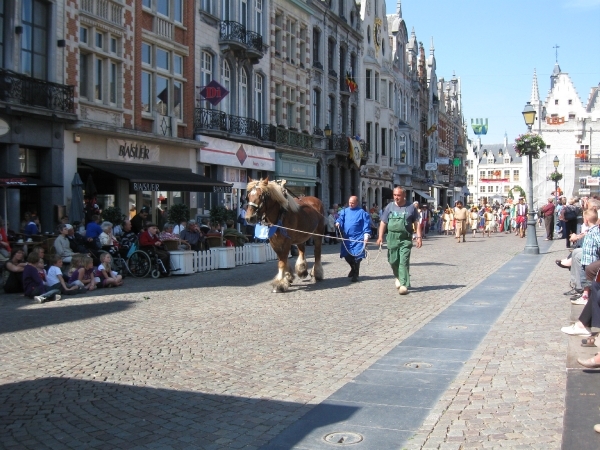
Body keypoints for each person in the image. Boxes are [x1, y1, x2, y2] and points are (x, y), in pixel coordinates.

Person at [376, 187, 421, 294]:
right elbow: (383, 222)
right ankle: (398, 277)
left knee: (403, 261)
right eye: (395, 195)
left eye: (399, 195)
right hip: (392, 237)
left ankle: (404, 285)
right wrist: (380, 236)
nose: (396, 197)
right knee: (393, 261)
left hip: (405, 238)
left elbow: (416, 223)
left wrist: (419, 237)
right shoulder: (389, 207)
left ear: (404, 195)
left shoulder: (411, 207)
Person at [335, 195, 372, 282]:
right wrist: (338, 222)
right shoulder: (344, 211)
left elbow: (366, 224)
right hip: (347, 238)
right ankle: (353, 268)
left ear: (357, 203)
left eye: (353, 203)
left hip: (358, 238)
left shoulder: (362, 212)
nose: (350, 204)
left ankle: (356, 274)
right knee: (347, 256)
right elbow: (341, 219)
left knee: (357, 257)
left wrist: (366, 235)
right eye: (349, 203)